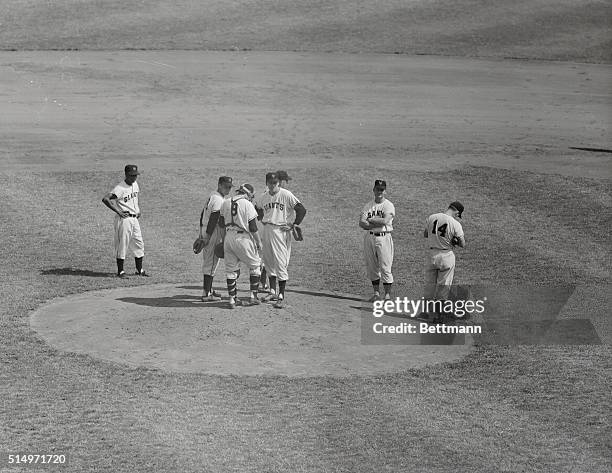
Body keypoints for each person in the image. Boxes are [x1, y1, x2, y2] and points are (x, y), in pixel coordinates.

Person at [255, 172, 306, 308]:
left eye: (275, 183)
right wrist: (262, 219)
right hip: (267, 230)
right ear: (266, 183)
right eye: (270, 183)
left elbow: (301, 209)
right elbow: (257, 210)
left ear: (278, 183)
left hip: (280, 231)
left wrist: (293, 224)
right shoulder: (263, 197)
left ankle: (281, 294)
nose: (272, 185)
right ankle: (272, 291)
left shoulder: (286, 194)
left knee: (280, 261)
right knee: (268, 261)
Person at [219, 183, 263, 309]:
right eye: (251, 196)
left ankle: (232, 300)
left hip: (228, 238)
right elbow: (253, 227)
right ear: (248, 194)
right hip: (243, 238)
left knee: (230, 270)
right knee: (255, 266)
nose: (251, 198)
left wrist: (223, 241)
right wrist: (259, 242)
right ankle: (253, 297)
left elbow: (221, 225)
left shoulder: (225, 202)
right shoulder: (247, 204)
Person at [102, 164, 149, 278]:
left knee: (139, 243)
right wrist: (118, 211)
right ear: (126, 175)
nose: (134, 178)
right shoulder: (120, 188)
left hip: (134, 219)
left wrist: (138, 209)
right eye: (132, 176)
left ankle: (139, 270)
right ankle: (121, 271)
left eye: (136, 175)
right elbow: (105, 199)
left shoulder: (135, 184)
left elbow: (136, 197)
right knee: (122, 244)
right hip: (124, 220)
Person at [422, 201, 466, 321]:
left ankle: (425, 312)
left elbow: (425, 234)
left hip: (431, 254)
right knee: (444, 286)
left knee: (429, 284)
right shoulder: (455, 224)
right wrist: (454, 240)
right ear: (457, 212)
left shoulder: (432, 217)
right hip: (446, 256)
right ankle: (439, 316)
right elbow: (462, 243)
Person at [359, 179, 395, 301]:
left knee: (385, 266)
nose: (379, 191)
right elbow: (361, 223)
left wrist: (370, 220)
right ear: (373, 189)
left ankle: (387, 295)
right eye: (377, 189)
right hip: (369, 237)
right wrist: (375, 222)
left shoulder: (388, 205)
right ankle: (376, 294)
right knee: (372, 266)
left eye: (381, 189)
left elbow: (385, 221)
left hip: (384, 238)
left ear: (385, 191)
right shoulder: (368, 205)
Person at [198, 176, 233, 301]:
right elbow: (213, 219)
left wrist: (201, 233)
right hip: (212, 232)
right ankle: (206, 294)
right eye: (225, 186)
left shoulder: (212, 195)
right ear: (219, 185)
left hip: (206, 229)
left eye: (230, 187)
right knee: (211, 263)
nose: (228, 189)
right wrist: (207, 236)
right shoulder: (218, 200)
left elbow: (202, 214)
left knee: (209, 261)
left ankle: (209, 289)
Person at [259, 169, 293, 292]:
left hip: (272, 228)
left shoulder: (283, 194)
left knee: (269, 259)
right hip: (269, 228)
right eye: (285, 181)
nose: (286, 183)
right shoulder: (267, 194)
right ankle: (263, 284)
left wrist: (293, 224)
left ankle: (264, 284)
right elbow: (259, 207)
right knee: (272, 259)